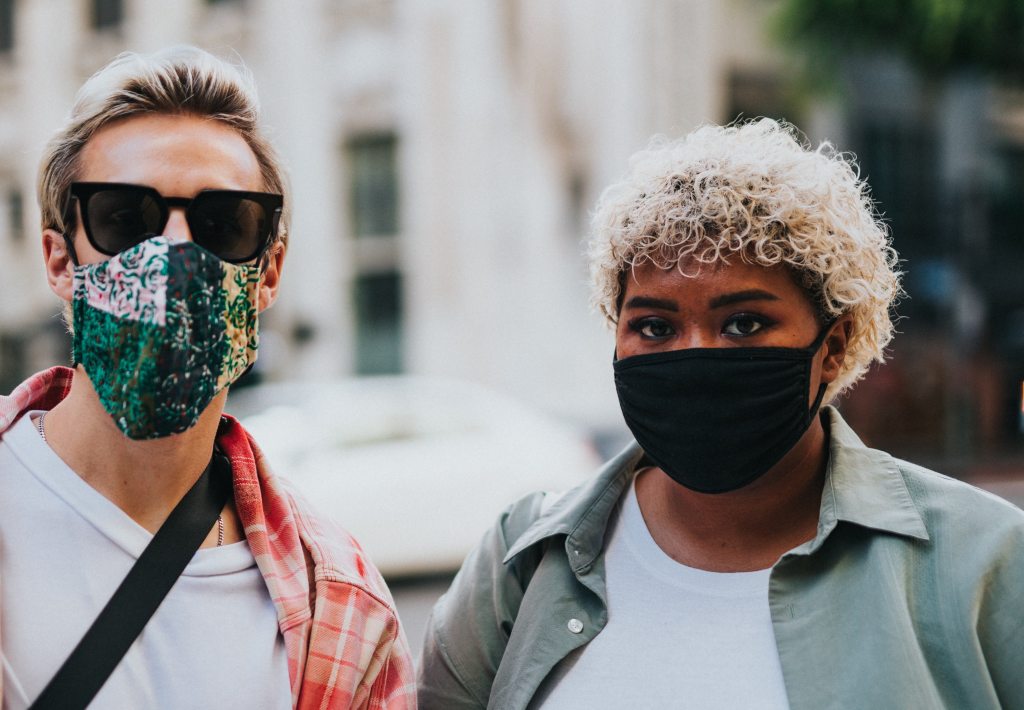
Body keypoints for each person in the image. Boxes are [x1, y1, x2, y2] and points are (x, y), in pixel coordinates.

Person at [418, 119, 1024, 709]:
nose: (695, 357)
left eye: (744, 323)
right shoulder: (522, 562)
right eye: (654, 327)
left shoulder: (984, 560)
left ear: (833, 346)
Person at [0, 46, 415, 709]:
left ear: (268, 273)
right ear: (59, 260)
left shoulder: (344, 604)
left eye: (222, 223)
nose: (173, 251)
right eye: (124, 218)